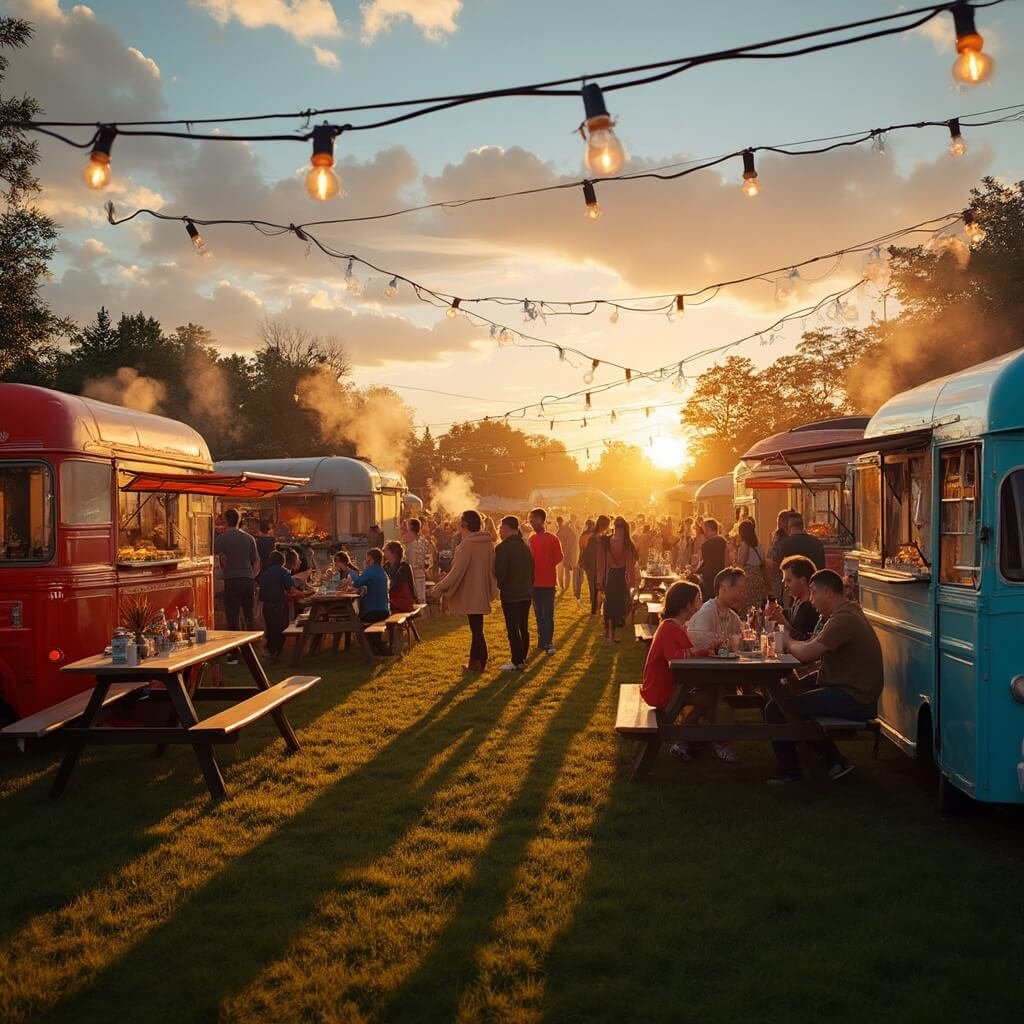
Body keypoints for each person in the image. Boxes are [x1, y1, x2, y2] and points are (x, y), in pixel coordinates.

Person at [764, 569, 884, 784]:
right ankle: (834, 761)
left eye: (813, 592)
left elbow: (807, 653)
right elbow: (811, 648)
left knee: (777, 708)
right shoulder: (845, 613)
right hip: (850, 690)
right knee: (786, 695)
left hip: (855, 699)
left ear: (827, 592)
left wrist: (786, 640)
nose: (811, 599)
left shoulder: (844, 619)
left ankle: (790, 773)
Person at [641, 580, 732, 763]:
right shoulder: (668, 628)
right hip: (659, 690)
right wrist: (703, 651)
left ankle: (702, 740)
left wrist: (707, 649)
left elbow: (686, 653)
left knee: (712, 694)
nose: (701, 602)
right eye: (697, 599)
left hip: (668, 685)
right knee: (709, 699)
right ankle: (690, 741)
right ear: (687, 604)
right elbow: (675, 658)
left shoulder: (676, 626)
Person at [431, 509, 497, 672]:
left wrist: (438, 588)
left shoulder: (466, 545)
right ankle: (478, 662)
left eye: (460, 523)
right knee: (477, 628)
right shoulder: (488, 544)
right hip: (482, 590)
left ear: (464, 525)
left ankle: (477, 664)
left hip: (470, 592)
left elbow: (456, 573)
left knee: (476, 630)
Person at [214, 507, 261, 664]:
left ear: (226, 521)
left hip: (232, 580)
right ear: (239, 521)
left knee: (233, 617)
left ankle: (235, 654)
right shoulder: (249, 538)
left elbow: (216, 557)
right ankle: (252, 649)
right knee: (248, 615)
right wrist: (251, 577)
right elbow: (256, 562)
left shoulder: (221, 539)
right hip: (247, 580)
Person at [494, 515, 534, 671]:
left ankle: (517, 661)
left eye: (500, 528)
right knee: (523, 626)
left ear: (506, 528)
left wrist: (501, 585)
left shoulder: (502, 548)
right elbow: (532, 569)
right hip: (526, 592)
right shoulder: (525, 546)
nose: (499, 532)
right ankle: (522, 657)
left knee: (513, 629)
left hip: (511, 594)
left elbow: (500, 573)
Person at [595, 515, 638, 643]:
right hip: (620, 578)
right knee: (617, 606)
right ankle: (611, 634)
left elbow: (601, 564)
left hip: (610, 576)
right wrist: (632, 583)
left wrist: (600, 581)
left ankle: (608, 633)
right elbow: (630, 566)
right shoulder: (627, 543)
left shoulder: (605, 541)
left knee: (609, 606)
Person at [258, 550, 306, 660]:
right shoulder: (283, 572)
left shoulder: (265, 573)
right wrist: (304, 594)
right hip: (279, 605)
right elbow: (292, 590)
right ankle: (272, 652)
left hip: (266, 606)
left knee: (271, 629)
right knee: (281, 629)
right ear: (282, 561)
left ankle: (269, 651)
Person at [528, 507, 563, 655]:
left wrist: (547, 564)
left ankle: (548, 642)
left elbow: (559, 557)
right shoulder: (531, 539)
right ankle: (541, 641)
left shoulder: (552, 538)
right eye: (530, 520)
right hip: (534, 583)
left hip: (548, 583)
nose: (531, 522)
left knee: (547, 614)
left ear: (542, 520)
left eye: (534, 519)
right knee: (538, 614)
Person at [686, 567, 747, 652]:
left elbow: (744, 638)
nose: (742, 595)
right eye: (739, 591)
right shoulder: (706, 614)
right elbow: (698, 649)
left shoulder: (733, 617)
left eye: (743, 591)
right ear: (723, 588)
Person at [765, 555, 821, 641]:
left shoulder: (813, 607)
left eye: (789, 581)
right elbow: (792, 618)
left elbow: (806, 641)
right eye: (784, 581)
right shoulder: (798, 600)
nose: (785, 586)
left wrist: (784, 623)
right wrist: (779, 612)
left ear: (803, 580)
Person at [348, 548, 391, 625]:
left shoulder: (370, 570)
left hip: (372, 612)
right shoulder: (382, 571)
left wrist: (351, 571)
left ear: (370, 559)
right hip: (385, 611)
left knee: (353, 620)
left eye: (366, 558)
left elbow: (356, 583)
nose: (365, 560)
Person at [735, 518, 768, 612]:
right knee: (757, 608)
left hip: (748, 579)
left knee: (746, 608)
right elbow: (764, 564)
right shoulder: (759, 546)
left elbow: (740, 566)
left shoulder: (745, 546)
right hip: (759, 578)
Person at [580, 514, 610, 615]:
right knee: (596, 589)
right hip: (594, 567)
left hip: (595, 567)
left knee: (596, 589)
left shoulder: (598, 537)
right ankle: (595, 609)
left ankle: (596, 609)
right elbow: (589, 554)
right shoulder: (596, 538)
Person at [696, 518, 728, 601]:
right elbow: (727, 561)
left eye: (704, 529)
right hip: (721, 576)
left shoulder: (706, 545)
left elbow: (703, 561)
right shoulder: (724, 541)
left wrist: (696, 571)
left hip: (708, 578)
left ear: (708, 529)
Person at [404, 517, 433, 604]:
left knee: (414, 599)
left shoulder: (408, 541)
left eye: (407, 527)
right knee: (420, 598)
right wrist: (424, 569)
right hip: (421, 574)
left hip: (411, 575)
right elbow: (429, 559)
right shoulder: (424, 542)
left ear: (410, 528)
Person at [383, 541, 416, 613]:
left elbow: (395, 585)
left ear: (393, 553)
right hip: (392, 598)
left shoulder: (404, 567)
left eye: (386, 550)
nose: (383, 552)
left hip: (401, 600)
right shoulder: (386, 566)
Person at [556, 515, 579, 594]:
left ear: (561, 522)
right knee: (561, 570)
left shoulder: (566, 528)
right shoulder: (559, 530)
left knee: (566, 569)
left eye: (560, 522)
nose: (559, 523)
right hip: (561, 552)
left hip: (566, 552)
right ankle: (562, 586)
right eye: (558, 522)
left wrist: (569, 546)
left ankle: (565, 586)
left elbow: (574, 537)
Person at [575, 518, 594, 600]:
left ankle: (590, 595)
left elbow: (581, 548)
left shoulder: (583, 535)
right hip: (592, 559)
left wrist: (580, 559)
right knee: (592, 578)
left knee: (588, 578)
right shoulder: (594, 535)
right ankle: (593, 595)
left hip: (585, 558)